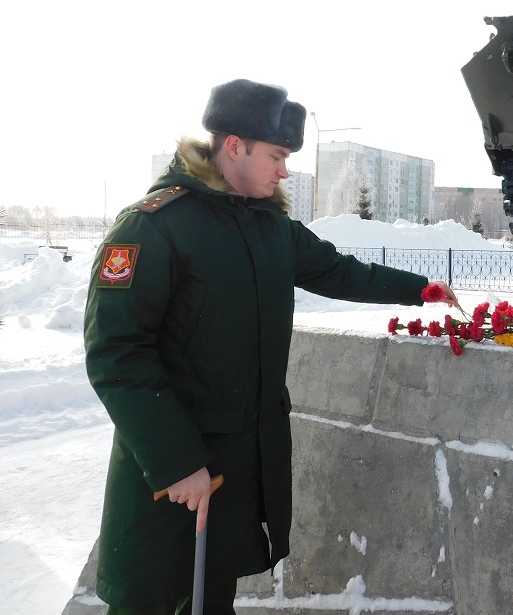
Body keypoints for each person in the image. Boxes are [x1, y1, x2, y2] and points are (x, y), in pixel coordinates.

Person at [84, 79, 457, 614]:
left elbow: (338, 270)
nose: (286, 170)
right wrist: (175, 462)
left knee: (213, 599)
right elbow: (116, 353)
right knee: (151, 598)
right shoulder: (155, 227)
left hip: (235, 467)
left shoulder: (269, 227)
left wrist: (417, 290)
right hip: (168, 475)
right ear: (234, 145)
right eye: (278, 156)